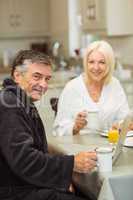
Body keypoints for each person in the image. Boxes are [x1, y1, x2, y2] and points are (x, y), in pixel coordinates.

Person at [0, 50, 97, 200]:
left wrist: (60, 177)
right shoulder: (10, 105)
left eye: (47, 79)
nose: (43, 85)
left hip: (23, 184)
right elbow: (25, 161)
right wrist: (71, 164)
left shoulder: (19, 100)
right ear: (17, 75)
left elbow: (33, 150)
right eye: (37, 77)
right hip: (15, 192)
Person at [53, 40, 130, 136]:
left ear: (109, 64)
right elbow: (58, 129)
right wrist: (75, 127)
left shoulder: (115, 85)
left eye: (102, 62)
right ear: (86, 63)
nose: (96, 67)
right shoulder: (72, 88)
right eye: (91, 62)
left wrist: (120, 125)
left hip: (108, 147)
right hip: (78, 148)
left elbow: (125, 119)